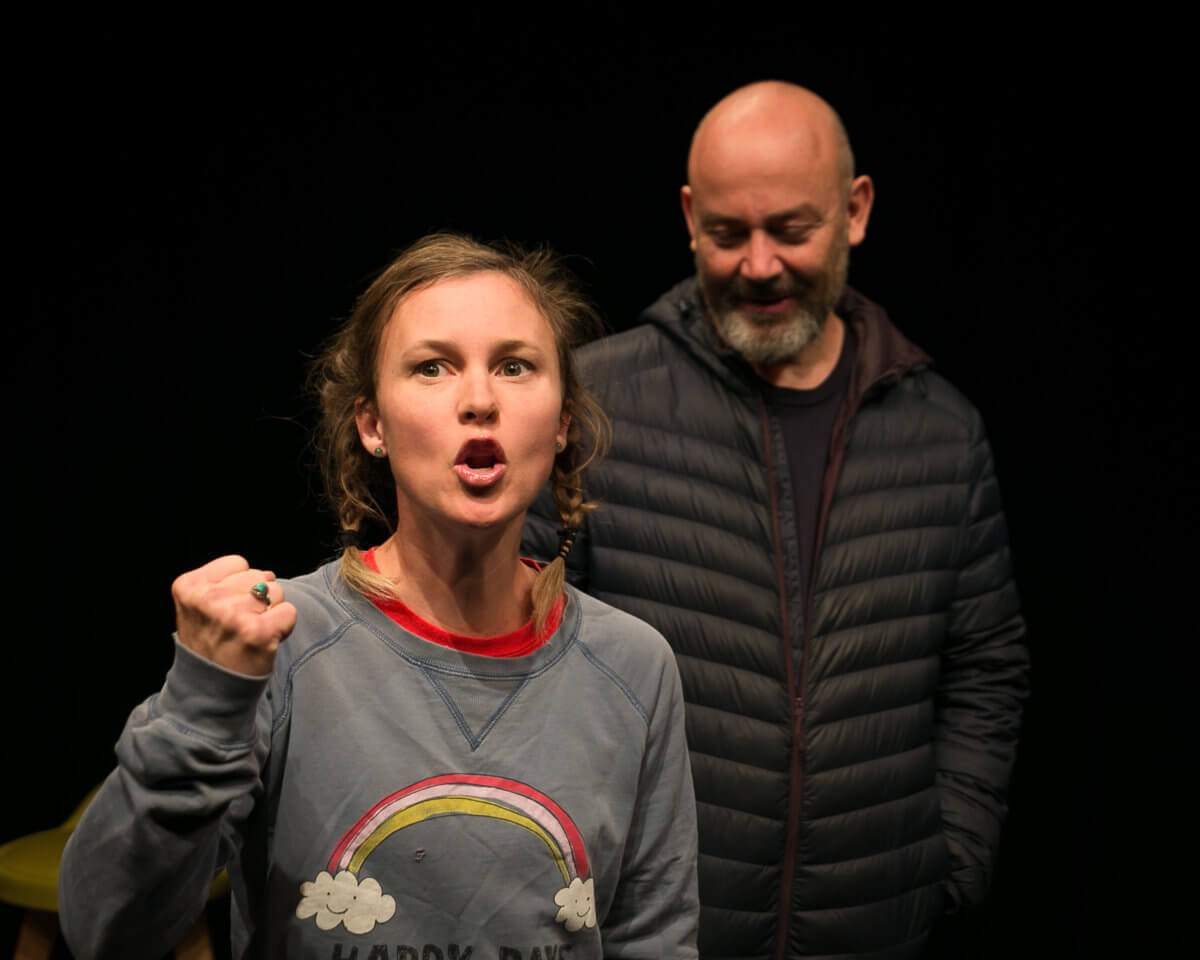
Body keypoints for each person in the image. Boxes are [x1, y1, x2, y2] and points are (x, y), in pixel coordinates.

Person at [59, 234, 699, 959]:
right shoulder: (281, 646)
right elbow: (107, 931)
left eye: (515, 366)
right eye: (433, 367)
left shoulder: (632, 667)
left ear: (562, 422)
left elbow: (656, 938)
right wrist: (202, 705)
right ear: (372, 425)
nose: (480, 400)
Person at [523, 82, 1029, 959]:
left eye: (791, 229)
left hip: (877, 929)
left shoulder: (941, 430)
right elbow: (514, 645)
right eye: (727, 233)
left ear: (855, 210)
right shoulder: (596, 404)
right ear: (689, 218)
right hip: (648, 931)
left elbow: (987, 663)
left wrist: (954, 860)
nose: (758, 264)